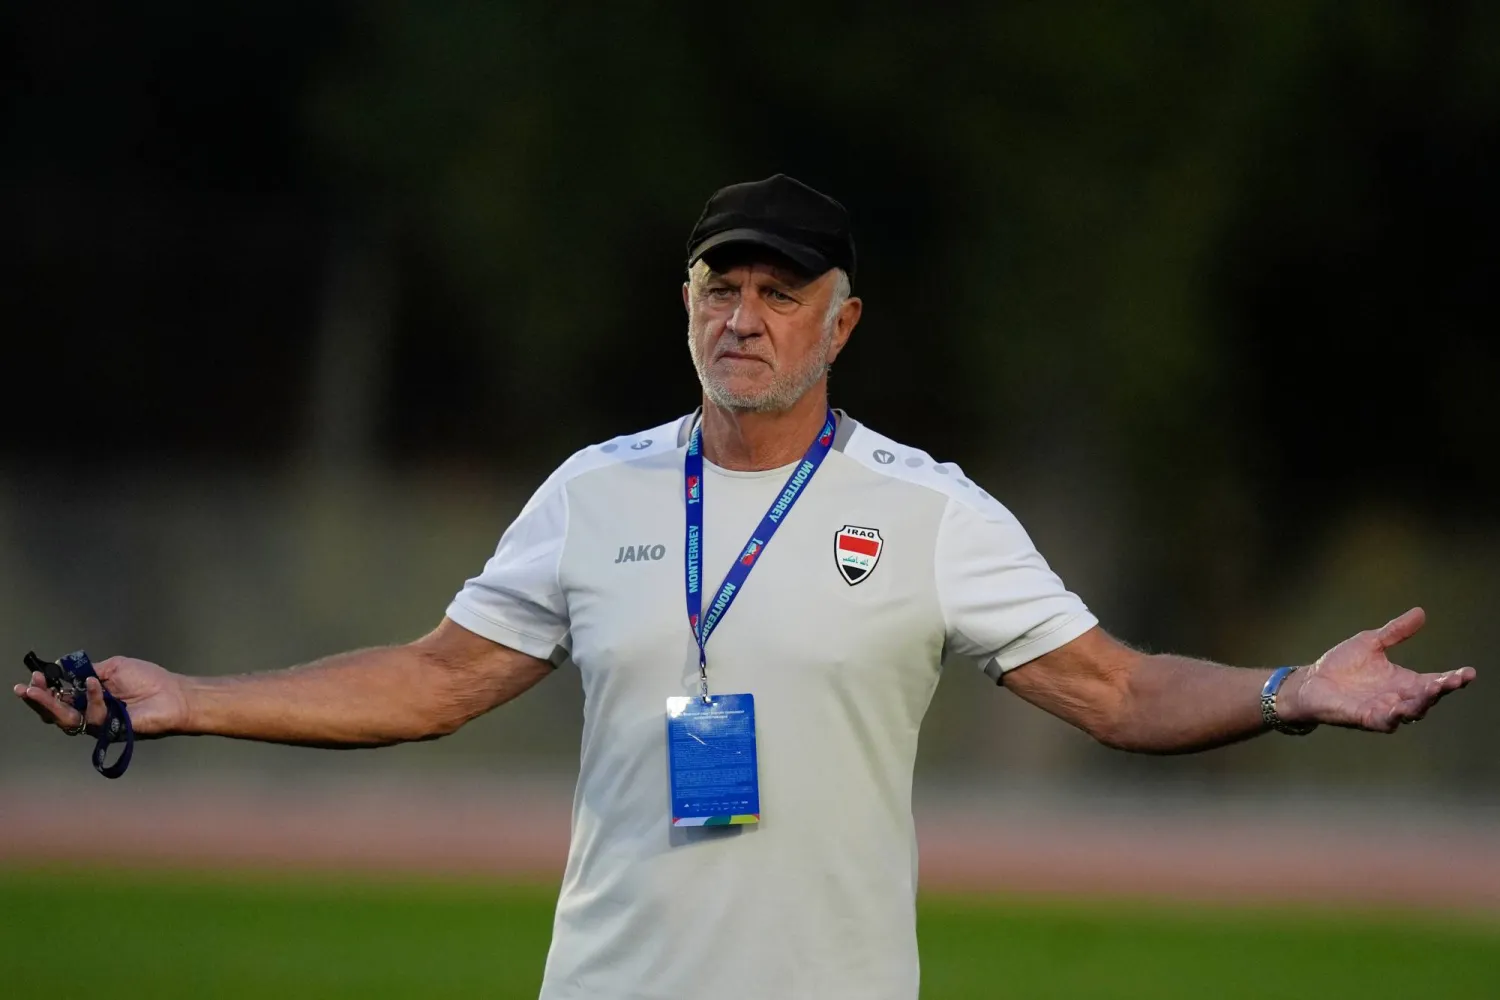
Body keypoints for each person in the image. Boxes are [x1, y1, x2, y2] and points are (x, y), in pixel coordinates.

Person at [14, 174, 1477, 1000]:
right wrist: (187, 697)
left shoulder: (928, 509)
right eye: (722, 285)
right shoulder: (599, 490)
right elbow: (431, 677)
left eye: (781, 293)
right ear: (687, 307)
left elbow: (1121, 690)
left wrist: (1291, 691)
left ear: (843, 323)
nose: (745, 315)